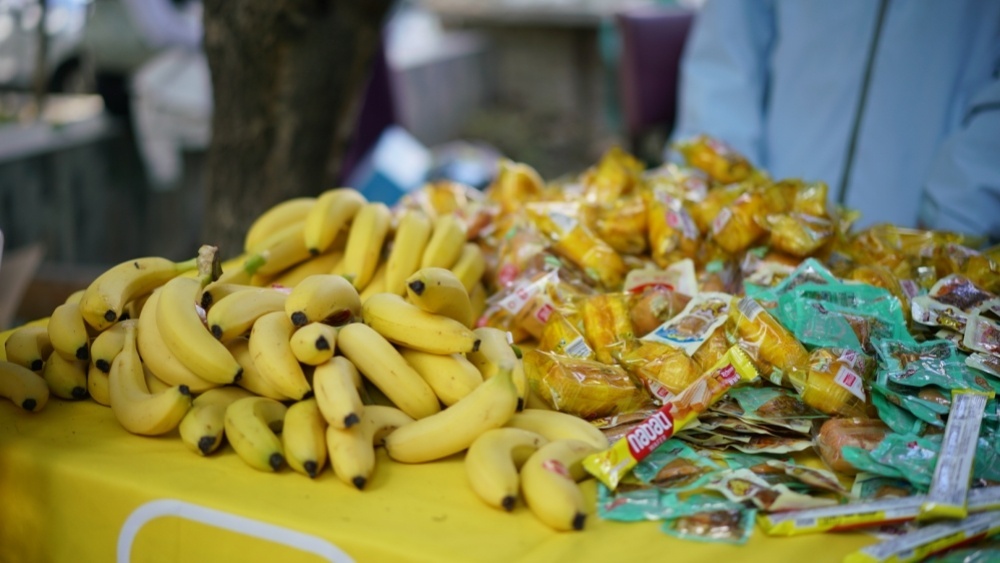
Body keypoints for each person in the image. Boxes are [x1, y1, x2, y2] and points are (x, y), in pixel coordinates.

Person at [669, 0, 1000, 242]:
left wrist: (958, 215)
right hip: (770, 225)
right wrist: (722, 202)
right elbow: (725, 58)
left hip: (918, 227)